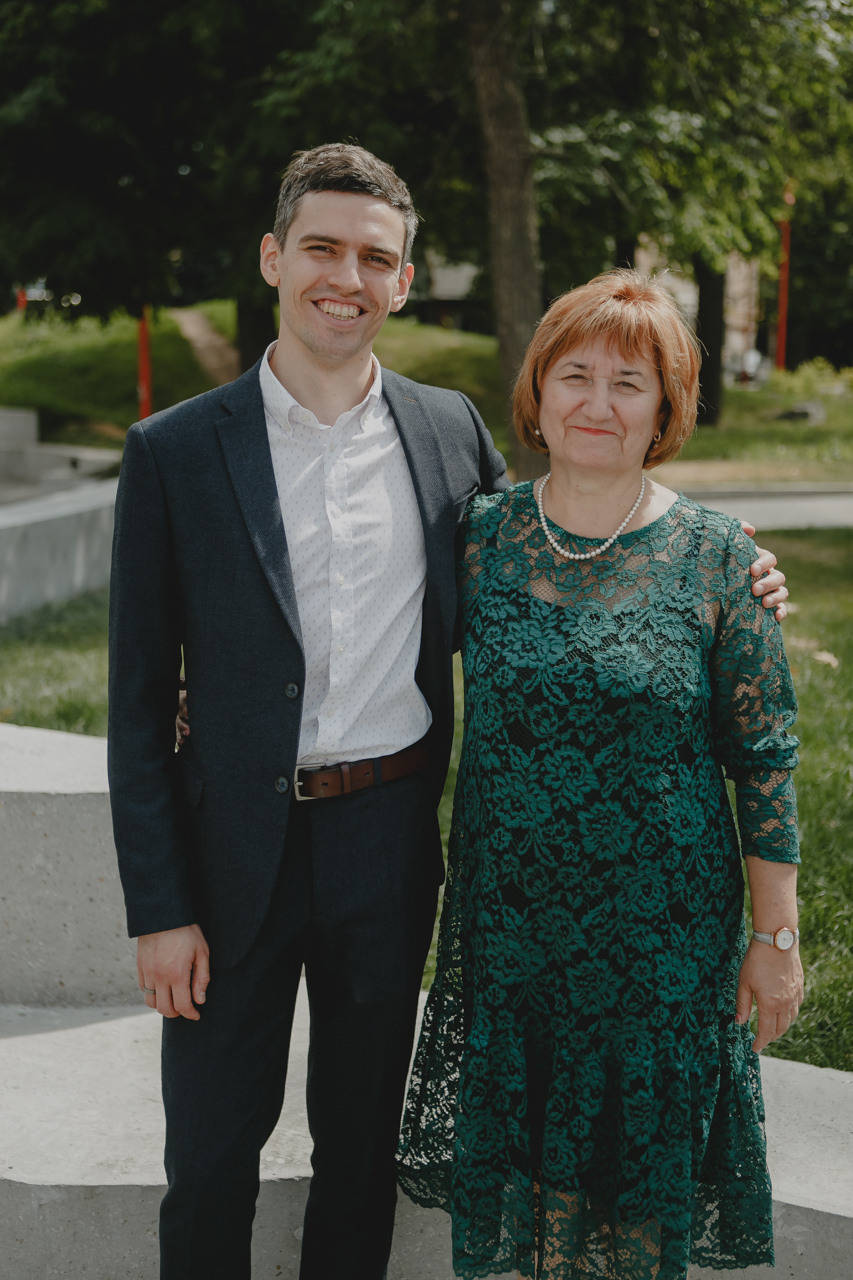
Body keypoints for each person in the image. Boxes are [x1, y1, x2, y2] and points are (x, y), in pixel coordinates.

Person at [108, 141, 787, 1280]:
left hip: (388, 846)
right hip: (228, 858)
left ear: (404, 281)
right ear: (274, 257)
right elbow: (135, 710)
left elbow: (566, 559)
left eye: (375, 257)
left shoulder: (445, 434)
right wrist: (158, 905)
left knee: (359, 1151)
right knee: (212, 1153)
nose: (346, 276)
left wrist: (730, 568)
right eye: (321, 247)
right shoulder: (173, 451)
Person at [397, 271, 802, 1280]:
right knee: (520, 1196)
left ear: (667, 406)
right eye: (573, 374)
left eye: (630, 381)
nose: (596, 401)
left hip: (657, 945)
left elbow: (764, 766)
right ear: (536, 391)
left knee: (633, 1208)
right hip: (512, 935)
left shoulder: (719, 561)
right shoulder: (476, 536)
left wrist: (774, 939)